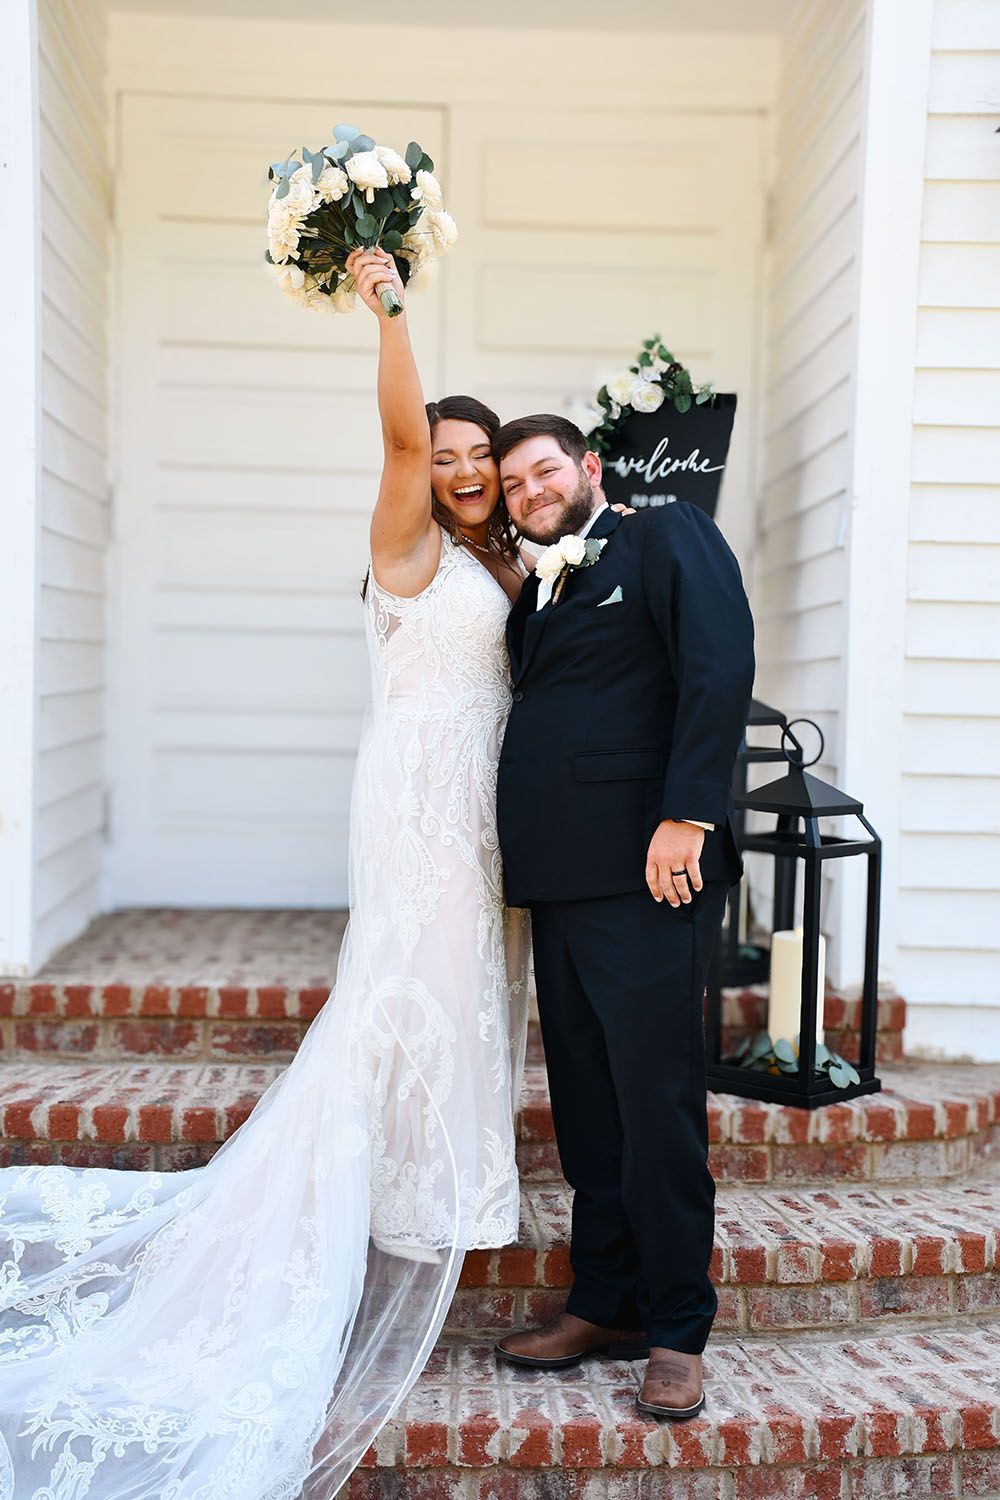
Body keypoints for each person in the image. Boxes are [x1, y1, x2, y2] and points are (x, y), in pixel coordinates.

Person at [0, 249, 531, 1498]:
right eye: (445, 451)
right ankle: (375, 1209)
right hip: (415, 799)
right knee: (405, 989)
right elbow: (400, 445)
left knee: (456, 992)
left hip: (482, 801)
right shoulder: (405, 539)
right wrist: (390, 314)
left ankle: (429, 1191)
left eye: (474, 456)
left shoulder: (507, 559)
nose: (454, 468)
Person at [492, 414, 755, 1421]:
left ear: (588, 469)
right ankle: (601, 1299)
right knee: (588, 1106)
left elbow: (717, 666)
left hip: (651, 874)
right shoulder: (546, 583)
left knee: (653, 1106)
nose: (528, 491)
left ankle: (678, 1326)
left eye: (543, 471)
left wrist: (686, 814)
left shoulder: (664, 534)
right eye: (514, 483)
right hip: (562, 880)